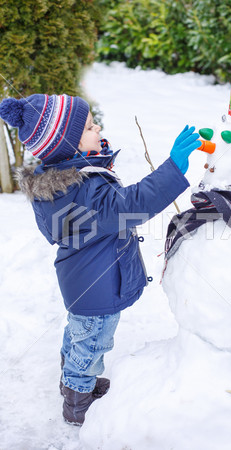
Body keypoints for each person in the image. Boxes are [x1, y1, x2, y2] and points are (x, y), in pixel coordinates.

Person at [0, 93, 200, 425]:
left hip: (83, 282)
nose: (99, 127)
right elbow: (130, 204)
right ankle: (78, 399)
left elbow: (96, 186)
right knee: (93, 342)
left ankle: (71, 376)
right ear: (70, 148)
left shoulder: (65, 182)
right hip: (98, 287)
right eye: (91, 126)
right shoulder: (87, 192)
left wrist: (94, 150)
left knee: (80, 331)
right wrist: (173, 168)